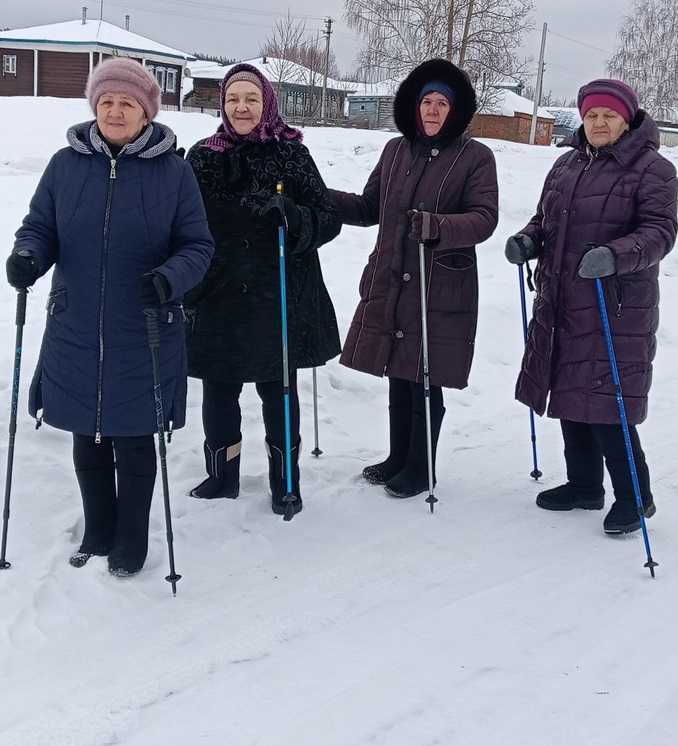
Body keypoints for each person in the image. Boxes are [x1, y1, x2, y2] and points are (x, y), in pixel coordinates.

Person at [5, 58, 214, 575]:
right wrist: (28, 256)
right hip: (76, 322)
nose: (115, 111)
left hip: (144, 326)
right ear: (94, 107)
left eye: (127, 103)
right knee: (86, 433)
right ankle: (98, 528)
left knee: (136, 437)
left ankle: (131, 540)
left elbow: (198, 245)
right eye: (107, 102)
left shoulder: (174, 171)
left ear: (146, 112)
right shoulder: (65, 165)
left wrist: (170, 278)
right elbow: (40, 226)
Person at [505, 79, 677, 534]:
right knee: (566, 391)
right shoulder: (565, 165)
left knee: (607, 401)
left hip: (614, 305)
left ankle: (636, 498)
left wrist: (616, 256)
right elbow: (545, 219)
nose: (599, 123)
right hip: (560, 299)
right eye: (592, 115)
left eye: (609, 116)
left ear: (627, 119)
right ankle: (584, 485)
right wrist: (529, 240)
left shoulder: (652, 170)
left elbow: (661, 231)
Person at [327, 58, 498, 498]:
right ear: (414, 105)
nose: (433, 110)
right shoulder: (395, 151)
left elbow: (484, 219)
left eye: (443, 103)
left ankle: (422, 468)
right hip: (392, 277)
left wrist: (438, 226)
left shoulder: (475, 157)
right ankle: (397, 456)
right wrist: (319, 196)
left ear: (456, 110)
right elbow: (370, 209)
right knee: (398, 370)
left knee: (426, 375)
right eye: (427, 101)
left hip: (438, 284)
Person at [184, 64, 341, 515]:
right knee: (219, 392)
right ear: (222, 103)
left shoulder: (291, 155)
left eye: (251, 98)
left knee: (279, 392)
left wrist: (294, 215)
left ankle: (285, 482)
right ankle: (222, 476)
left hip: (280, 296)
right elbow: (180, 220)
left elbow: (326, 218)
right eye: (234, 98)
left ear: (267, 102)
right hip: (219, 294)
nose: (242, 107)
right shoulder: (203, 156)